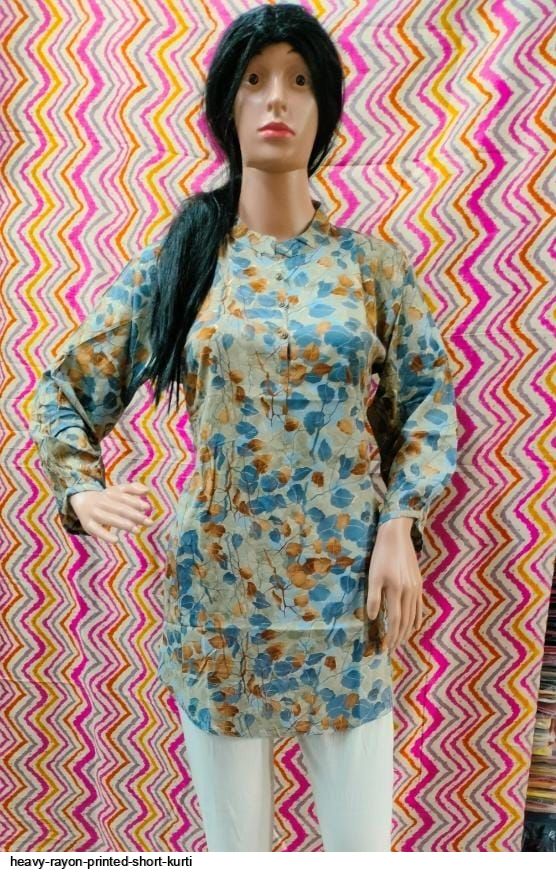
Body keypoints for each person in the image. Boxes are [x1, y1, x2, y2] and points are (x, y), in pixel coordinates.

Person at [28, 3, 458, 853]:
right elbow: (65, 390)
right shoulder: (186, 259)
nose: (277, 100)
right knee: (236, 855)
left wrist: (402, 520)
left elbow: (425, 405)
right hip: (220, 604)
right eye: (255, 80)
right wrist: (78, 487)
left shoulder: (369, 266)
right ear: (227, 105)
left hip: (348, 601)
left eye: (299, 81)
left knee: (362, 852)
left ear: (326, 107)